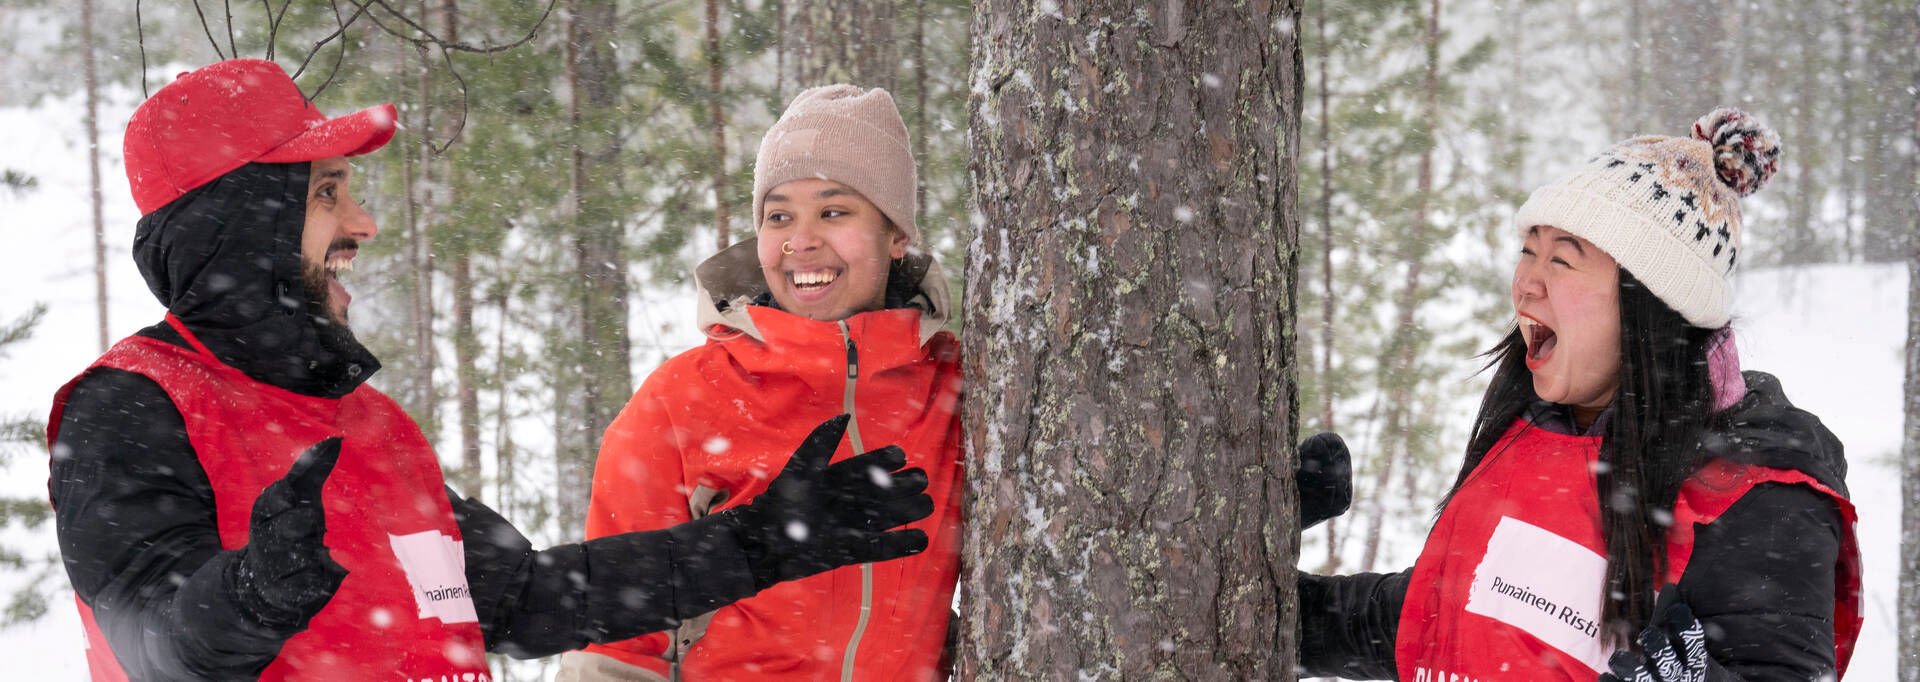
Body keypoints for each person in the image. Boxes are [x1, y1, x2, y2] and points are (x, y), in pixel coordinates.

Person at [47, 59, 934, 681]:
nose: (365, 223)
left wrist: (759, 542)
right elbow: (149, 637)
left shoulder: (374, 428)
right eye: (326, 193)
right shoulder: (131, 403)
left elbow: (528, 599)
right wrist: (248, 596)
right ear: (241, 222)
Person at [1295, 109, 1862, 681]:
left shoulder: (1758, 498)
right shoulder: (1539, 431)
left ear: (1650, 307)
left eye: (1561, 260)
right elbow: (1444, 618)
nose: (1527, 282)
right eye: (1528, 250)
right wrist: (1265, 594)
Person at [555, 85, 962, 681]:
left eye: (833, 211)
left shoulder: (954, 385)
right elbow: (613, 638)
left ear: (896, 234)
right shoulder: (684, 397)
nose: (800, 241)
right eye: (779, 216)